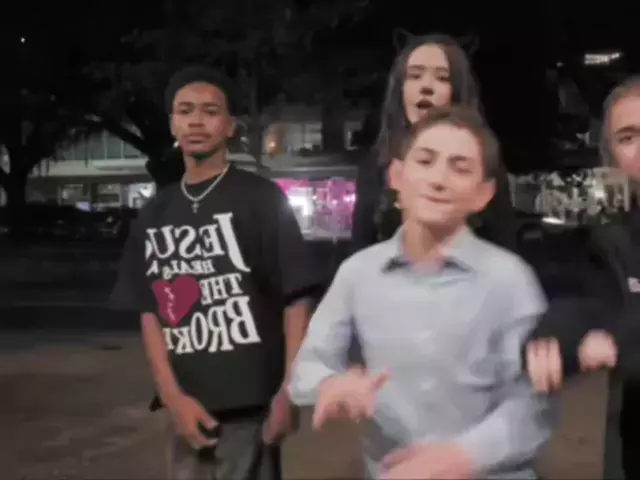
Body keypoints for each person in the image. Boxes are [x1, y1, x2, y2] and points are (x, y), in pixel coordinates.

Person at [289, 106, 553, 479]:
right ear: (397, 176)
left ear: (484, 193)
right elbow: (307, 366)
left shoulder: (509, 279)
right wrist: (331, 384)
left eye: (460, 168)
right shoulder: (358, 274)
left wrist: (461, 457)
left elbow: (536, 406)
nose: (438, 180)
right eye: (426, 161)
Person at [110, 65, 320, 480]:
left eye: (210, 111)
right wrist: (171, 396)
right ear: (172, 123)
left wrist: (289, 391)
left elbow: (296, 299)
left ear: (229, 126)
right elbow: (149, 311)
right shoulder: (155, 213)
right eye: (185, 110)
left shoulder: (261, 199)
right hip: (186, 408)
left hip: (252, 408)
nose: (196, 121)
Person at [525, 76, 640, 479]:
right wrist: (557, 336)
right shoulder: (609, 230)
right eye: (628, 137)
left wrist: (617, 338)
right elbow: (582, 292)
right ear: (611, 157)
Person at [351, 33, 517, 254]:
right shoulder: (376, 166)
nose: (426, 87)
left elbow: (504, 250)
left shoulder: (484, 165)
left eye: (442, 78)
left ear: (457, 91)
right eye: (415, 75)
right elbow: (359, 251)